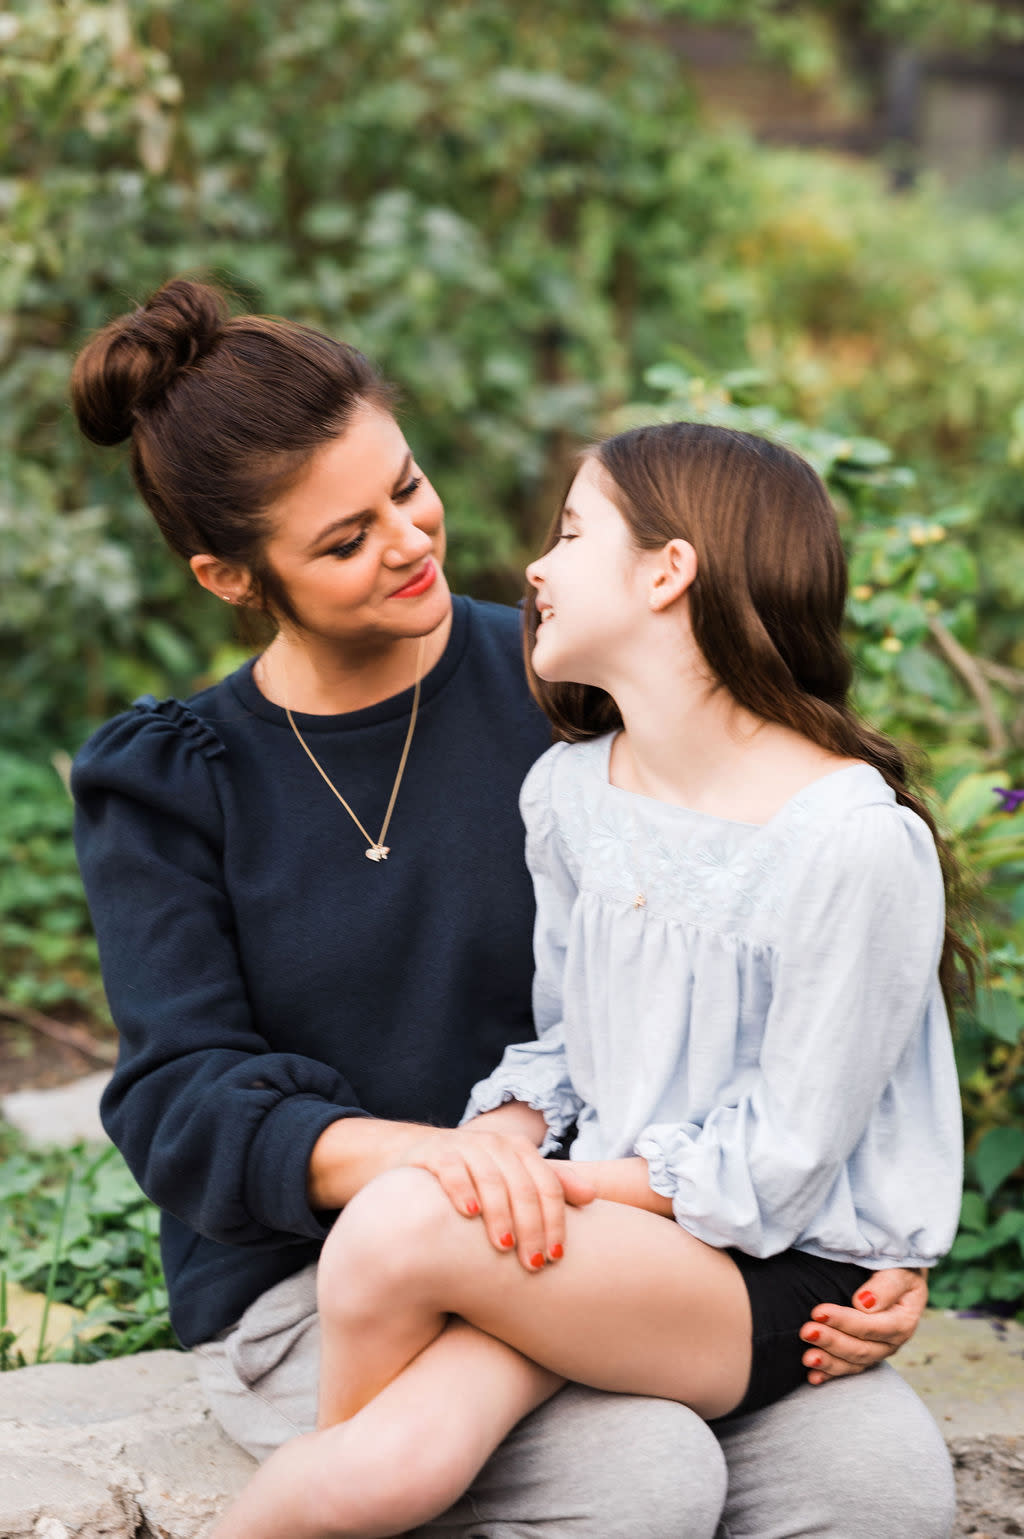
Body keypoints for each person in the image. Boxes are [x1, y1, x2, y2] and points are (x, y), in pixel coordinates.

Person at [70, 278, 956, 1539]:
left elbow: (796, 961)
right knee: (638, 1470)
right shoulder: (171, 779)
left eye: (407, 486)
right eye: (342, 540)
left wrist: (870, 1237)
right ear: (228, 576)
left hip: (652, 1232)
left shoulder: (575, 687)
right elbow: (181, 1099)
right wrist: (442, 1168)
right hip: (336, 1278)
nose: (410, 540)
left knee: (874, 1475)